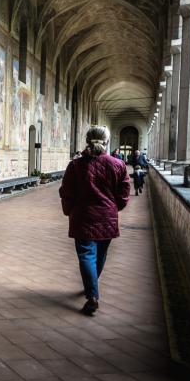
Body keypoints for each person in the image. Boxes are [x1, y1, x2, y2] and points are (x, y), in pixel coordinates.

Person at [59, 126, 131, 316]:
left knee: (86, 255)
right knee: (100, 255)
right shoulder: (118, 165)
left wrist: (69, 210)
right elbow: (124, 193)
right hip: (107, 217)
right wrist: (115, 208)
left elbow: (66, 192)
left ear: (87, 140)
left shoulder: (75, 166)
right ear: (107, 142)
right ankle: (92, 287)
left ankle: (92, 296)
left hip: (82, 217)